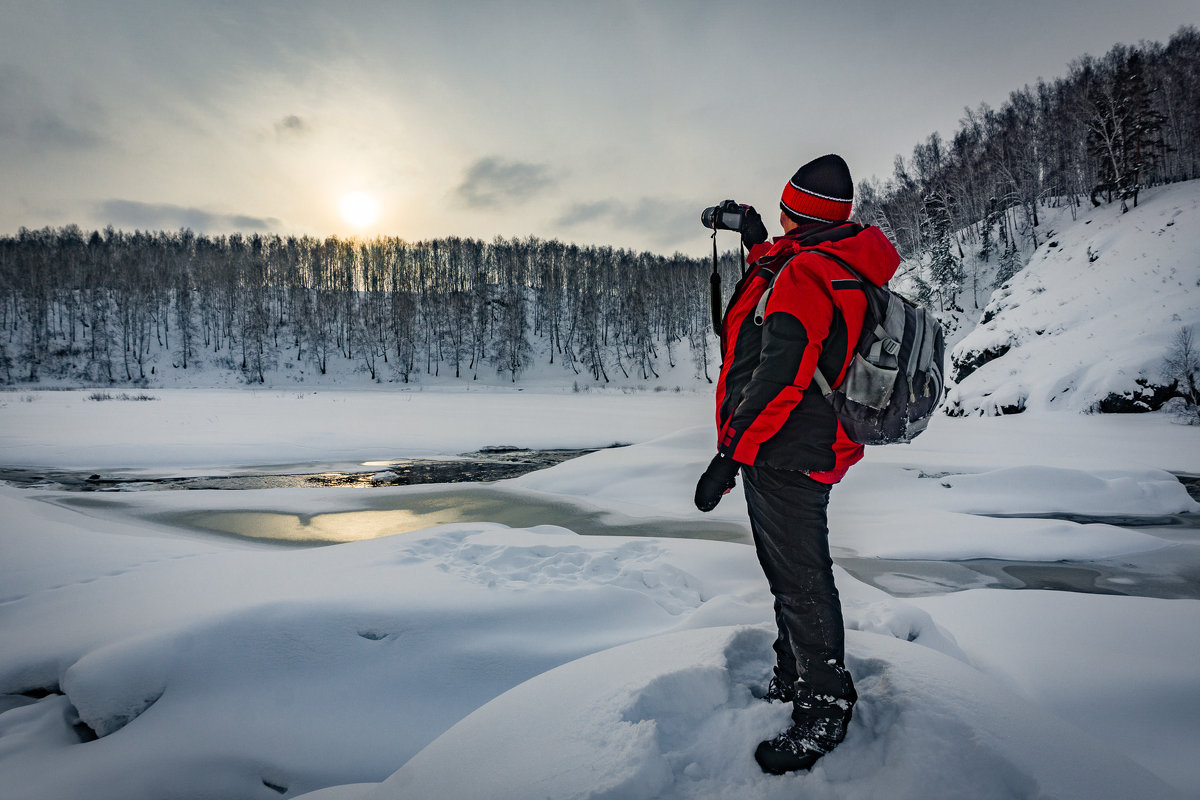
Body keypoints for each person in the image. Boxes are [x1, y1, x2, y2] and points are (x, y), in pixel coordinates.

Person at [693, 154, 901, 774]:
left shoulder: (805, 276)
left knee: (800, 577)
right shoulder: (834, 261)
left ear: (798, 213)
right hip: (812, 441)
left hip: (784, 447)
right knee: (790, 567)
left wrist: (728, 455)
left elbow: (778, 377)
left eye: (785, 212)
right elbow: (789, 298)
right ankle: (794, 675)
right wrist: (758, 240)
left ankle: (823, 709)